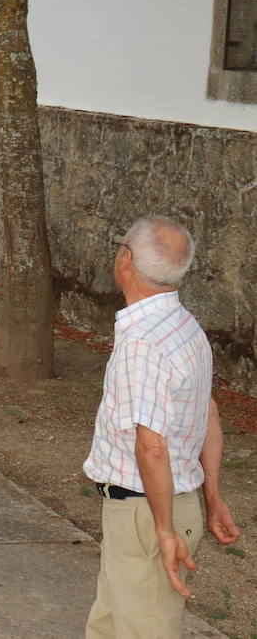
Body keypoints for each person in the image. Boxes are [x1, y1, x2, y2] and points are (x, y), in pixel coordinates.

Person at [83, 216, 241, 638]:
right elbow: (208, 413)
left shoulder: (142, 342)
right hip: (153, 509)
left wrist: (164, 530)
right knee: (109, 627)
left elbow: (150, 448)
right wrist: (212, 497)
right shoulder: (185, 328)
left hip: (147, 514)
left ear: (125, 260)